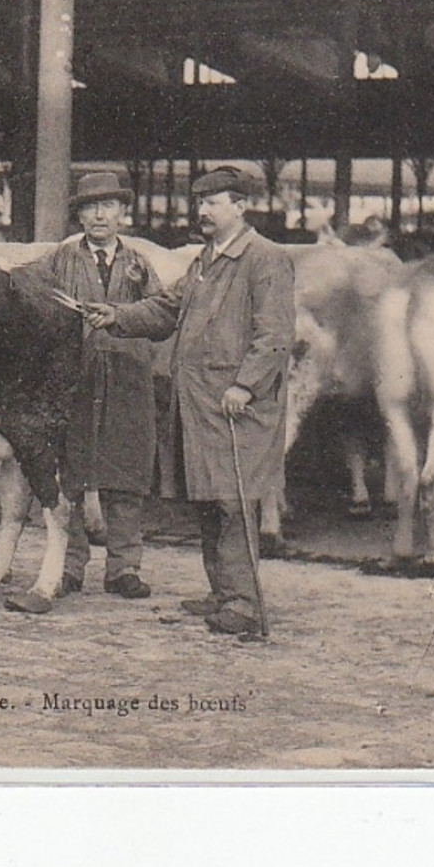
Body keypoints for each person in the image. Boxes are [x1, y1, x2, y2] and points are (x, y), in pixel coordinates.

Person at [84, 166, 294, 636]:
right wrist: (116, 315)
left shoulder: (265, 259)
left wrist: (246, 385)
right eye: (200, 203)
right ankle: (222, 593)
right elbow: (166, 309)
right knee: (208, 500)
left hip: (237, 406)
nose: (203, 211)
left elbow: (276, 336)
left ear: (241, 207)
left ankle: (244, 604)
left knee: (234, 502)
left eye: (213, 202)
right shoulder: (205, 260)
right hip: (201, 405)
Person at [30, 172, 162, 599]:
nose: (100, 214)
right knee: (71, 473)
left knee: (125, 474)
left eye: (109, 206)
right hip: (75, 377)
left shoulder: (140, 264)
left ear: (123, 213)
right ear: (79, 215)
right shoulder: (59, 259)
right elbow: (31, 296)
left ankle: (124, 568)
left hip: (127, 377)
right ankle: (69, 566)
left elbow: (161, 316)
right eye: (90, 206)